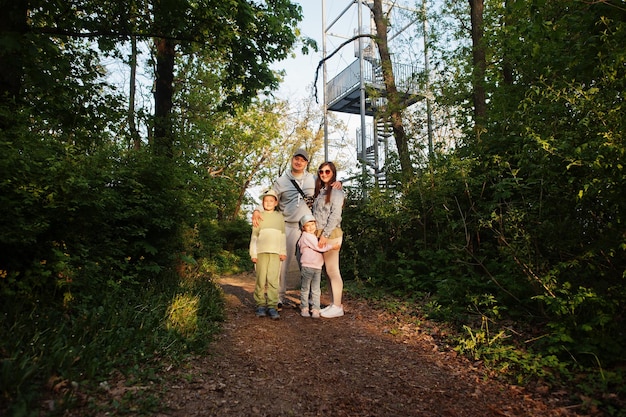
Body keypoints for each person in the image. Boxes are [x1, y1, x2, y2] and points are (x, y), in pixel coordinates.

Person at [313, 162, 346, 319]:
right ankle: (333, 304)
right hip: (321, 233)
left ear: (333, 173)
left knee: (333, 270)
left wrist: (325, 235)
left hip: (331, 234)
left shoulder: (337, 192)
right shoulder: (321, 191)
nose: (324, 174)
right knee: (328, 271)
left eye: (327, 171)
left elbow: (335, 216)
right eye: (321, 171)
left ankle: (338, 306)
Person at [249, 189, 286, 320]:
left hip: (275, 253)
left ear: (276, 202)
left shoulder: (279, 217)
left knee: (273, 280)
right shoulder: (259, 216)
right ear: (262, 202)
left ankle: (272, 305)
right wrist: (253, 253)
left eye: (271, 200)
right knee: (260, 279)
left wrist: (283, 251)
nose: (268, 203)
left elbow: (282, 235)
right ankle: (260, 304)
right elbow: (254, 236)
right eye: (266, 201)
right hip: (261, 253)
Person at [297, 214, 341, 319]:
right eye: (308, 225)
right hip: (308, 266)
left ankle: (315, 309)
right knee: (306, 288)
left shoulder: (312, 236)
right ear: (303, 228)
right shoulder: (306, 237)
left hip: (317, 267)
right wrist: (332, 246)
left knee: (316, 289)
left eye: (313, 224)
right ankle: (304, 308)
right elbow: (319, 248)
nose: (311, 227)